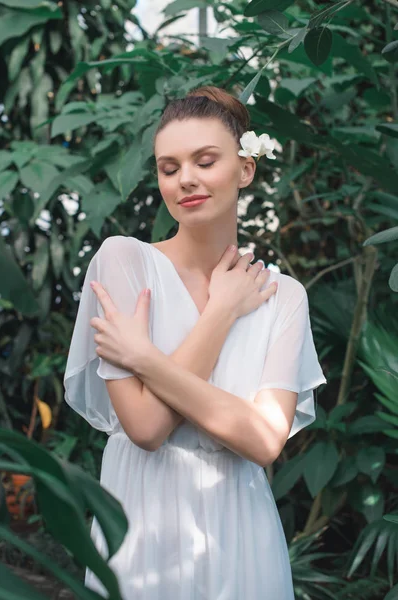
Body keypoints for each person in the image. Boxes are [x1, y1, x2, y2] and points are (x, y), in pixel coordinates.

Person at [63, 85, 327, 599]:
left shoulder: (284, 295)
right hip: (142, 520)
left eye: (206, 161)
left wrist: (143, 358)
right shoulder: (124, 261)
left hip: (241, 527)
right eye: (169, 167)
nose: (186, 179)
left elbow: (263, 441)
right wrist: (221, 313)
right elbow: (145, 427)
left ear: (245, 169)